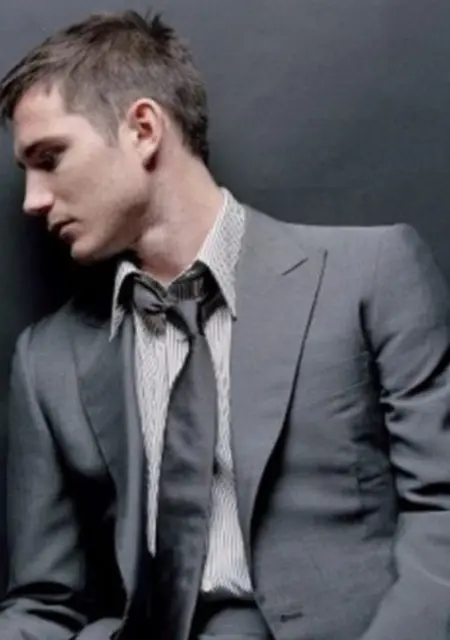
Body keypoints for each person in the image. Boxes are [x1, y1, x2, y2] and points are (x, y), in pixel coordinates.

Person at [0, 9, 450, 640]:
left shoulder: (369, 274)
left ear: (143, 129)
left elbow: (443, 510)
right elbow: (45, 603)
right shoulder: (48, 359)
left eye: (50, 157)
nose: (33, 200)